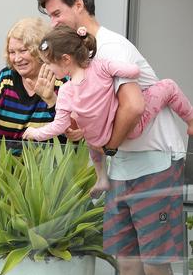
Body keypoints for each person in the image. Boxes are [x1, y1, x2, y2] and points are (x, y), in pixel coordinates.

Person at [38, 0, 186, 275]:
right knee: (128, 265)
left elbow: (134, 106)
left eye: (56, 14)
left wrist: (109, 146)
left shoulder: (111, 49)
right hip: (121, 170)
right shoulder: (81, 57)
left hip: (154, 164)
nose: (52, 22)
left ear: (78, 5)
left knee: (155, 267)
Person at [24, 25, 193, 198]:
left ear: (66, 59)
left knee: (90, 135)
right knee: (168, 86)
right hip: (129, 130)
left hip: (97, 140)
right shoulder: (101, 66)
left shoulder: (66, 91)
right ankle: (191, 120)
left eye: (48, 63)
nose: (47, 68)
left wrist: (34, 133)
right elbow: (134, 71)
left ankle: (101, 177)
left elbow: (59, 126)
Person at [0, 17, 68, 143]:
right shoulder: (5, 79)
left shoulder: (62, 81)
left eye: (23, 50)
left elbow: (71, 130)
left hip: (50, 162)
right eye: (12, 52)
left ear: (40, 50)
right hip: (7, 161)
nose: (17, 59)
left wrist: (51, 100)